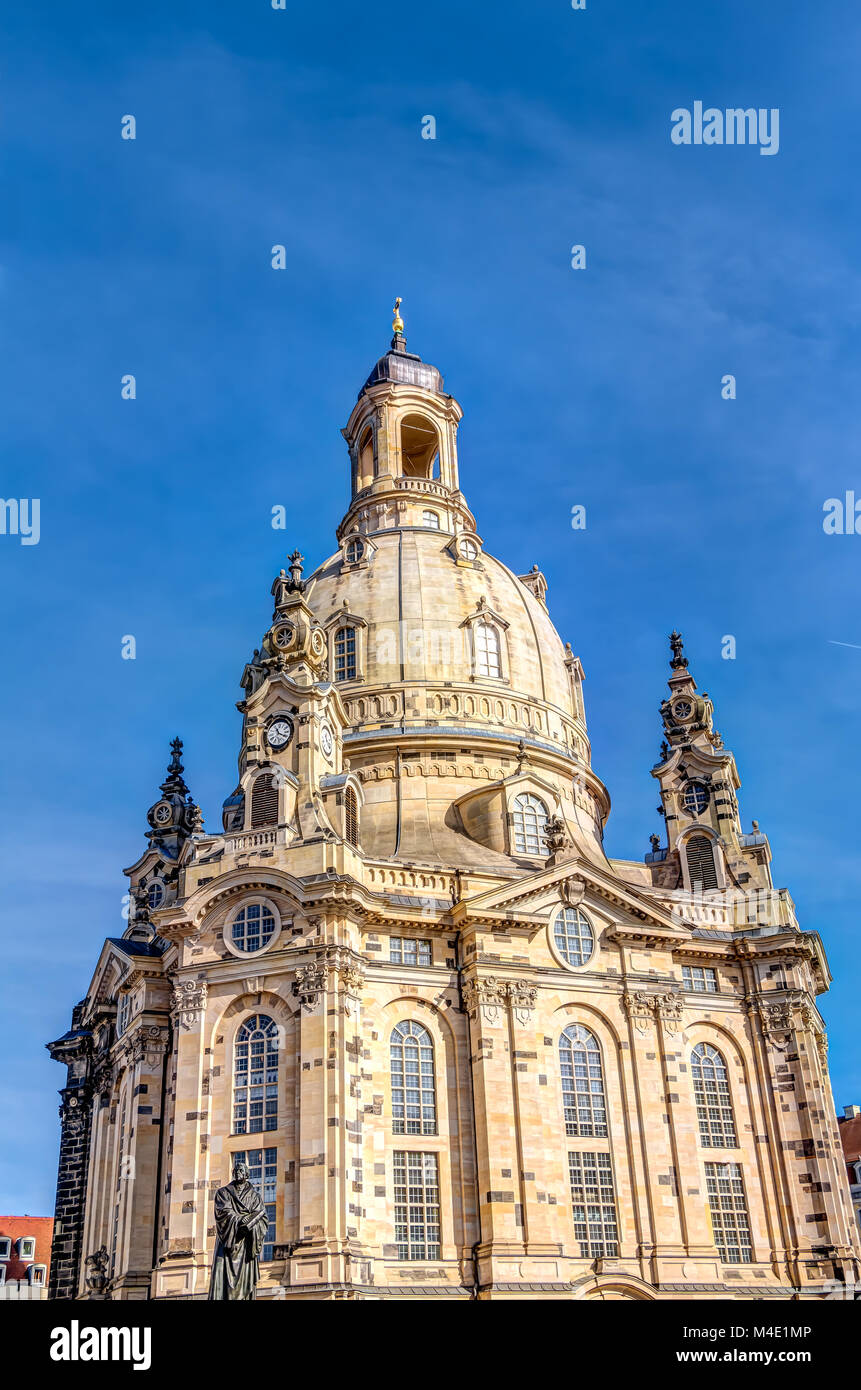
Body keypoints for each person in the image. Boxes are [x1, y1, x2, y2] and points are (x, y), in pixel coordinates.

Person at [208, 1160, 269, 1300]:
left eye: (241, 1171)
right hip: (228, 1242)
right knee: (220, 1276)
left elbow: (263, 1218)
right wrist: (240, 1221)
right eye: (236, 1171)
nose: (238, 1173)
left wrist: (252, 1225)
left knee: (244, 1286)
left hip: (246, 1246)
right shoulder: (223, 1192)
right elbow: (223, 1212)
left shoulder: (255, 1197)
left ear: (247, 1175)